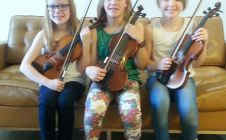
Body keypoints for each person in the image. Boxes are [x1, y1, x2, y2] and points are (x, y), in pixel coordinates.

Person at [80, 0, 148, 139]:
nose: (114, 2)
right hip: (103, 78)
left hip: (128, 79)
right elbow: (91, 64)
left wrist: (140, 40)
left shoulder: (136, 25)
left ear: (126, 4)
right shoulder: (95, 31)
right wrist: (89, 68)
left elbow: (142, 65)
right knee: (92, 113)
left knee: (131, 115)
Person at [20, 0, 86, 140]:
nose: (57, 10)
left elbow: (84, 66)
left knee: (65, 101)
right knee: (46, 102)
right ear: (47, 9)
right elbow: (24, 65)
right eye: (52, 6)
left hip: (74, 81)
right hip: (49, 79)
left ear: (71, 8)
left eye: (62, 5)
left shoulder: (80, 34)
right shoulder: (44, 35)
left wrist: (86, 40)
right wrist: (47, 82)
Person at [144, 0, 208, 140]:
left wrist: (205, 42)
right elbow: (146, 64)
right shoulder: (150, 28)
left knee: (188, 109)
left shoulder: (192, 26)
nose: (171, 3)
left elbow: (198, 63)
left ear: (183, 4)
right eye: (166, 0)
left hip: (184, 76)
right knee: (160, 102)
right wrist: (158, 65)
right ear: (159, 4)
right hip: (158, 76)